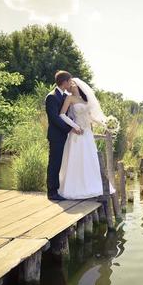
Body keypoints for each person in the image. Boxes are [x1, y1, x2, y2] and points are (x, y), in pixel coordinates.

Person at [57, 77, 116, 199]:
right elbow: (62, 115)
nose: (71, 85)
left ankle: (90, 185)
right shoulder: (69, 98)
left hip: (87, 133)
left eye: (73, 83)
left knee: (90, 159)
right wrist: (75, 127)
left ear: (79, 86)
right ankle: (75, 188)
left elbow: (90, 117)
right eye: (70, 83)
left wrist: (105, 124)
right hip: (77, 133)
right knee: (76, 159)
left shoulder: (85, 101)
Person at [45, 70, 82, 200]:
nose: (71, 83)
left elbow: (66, 115)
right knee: (54, 163)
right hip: (56, 136)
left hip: (62, 135)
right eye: (69, 81)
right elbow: (54, 118)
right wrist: (70, 128)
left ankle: (56, 190)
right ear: (64, 82)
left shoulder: (64, 95)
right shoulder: (51, 96)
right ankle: (52, 192)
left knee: (59, 162)